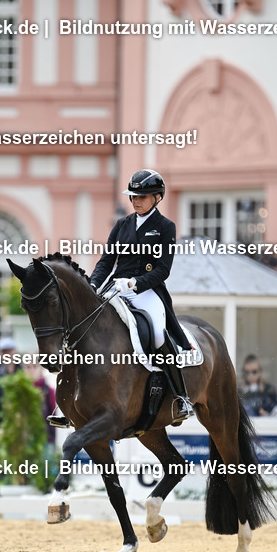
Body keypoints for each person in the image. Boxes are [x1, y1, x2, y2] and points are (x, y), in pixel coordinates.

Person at [81, 168, 194, 425]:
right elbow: (106, 261)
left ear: (157, 197)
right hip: (115, 286)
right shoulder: (121, 225)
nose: (136, 201)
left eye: (142, 196)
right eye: (133, 197)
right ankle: (69, 402)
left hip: (146, 291)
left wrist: (135, 282)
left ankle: (181, 397)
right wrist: (92, 285)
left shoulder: (165, 227)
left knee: (156, 331)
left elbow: (163, 269)